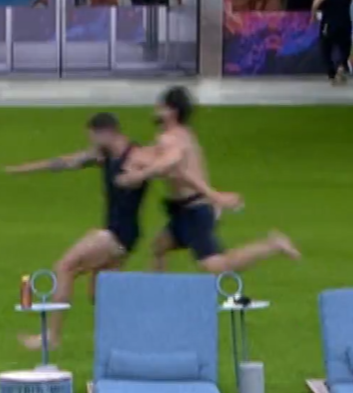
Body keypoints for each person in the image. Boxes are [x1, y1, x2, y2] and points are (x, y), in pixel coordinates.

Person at [5, 112, 152, 349]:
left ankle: (52, 337)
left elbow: (167, 165)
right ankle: (133, 337)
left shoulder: (136, 156)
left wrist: (141, 176)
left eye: (93, 137)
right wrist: (24, 169)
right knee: (99, 294)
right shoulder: (105, 154)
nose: (91, 144)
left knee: (65, 267)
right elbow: (66, 162)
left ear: (106, 133)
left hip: (117, 233)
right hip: (121, 233)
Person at [116, 86, 301, 274]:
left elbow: (168, 163)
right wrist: (134, 162)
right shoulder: (179, 135)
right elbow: (169, 166)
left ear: (172, 111)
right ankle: (158, 289)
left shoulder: (171, 139)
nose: (156, 110)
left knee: (217, 266)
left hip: (195, 211)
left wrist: (139, 175)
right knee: (159, 246)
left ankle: (272, 245)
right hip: (184, 210)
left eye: (161, 106)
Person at [311, 0, 353, 85]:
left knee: (325, 48)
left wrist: (313, 15)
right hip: (345, 21)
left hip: (329, 22)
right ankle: (341, 65)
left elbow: (316, 3)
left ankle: (332, 73)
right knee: (345, 46)